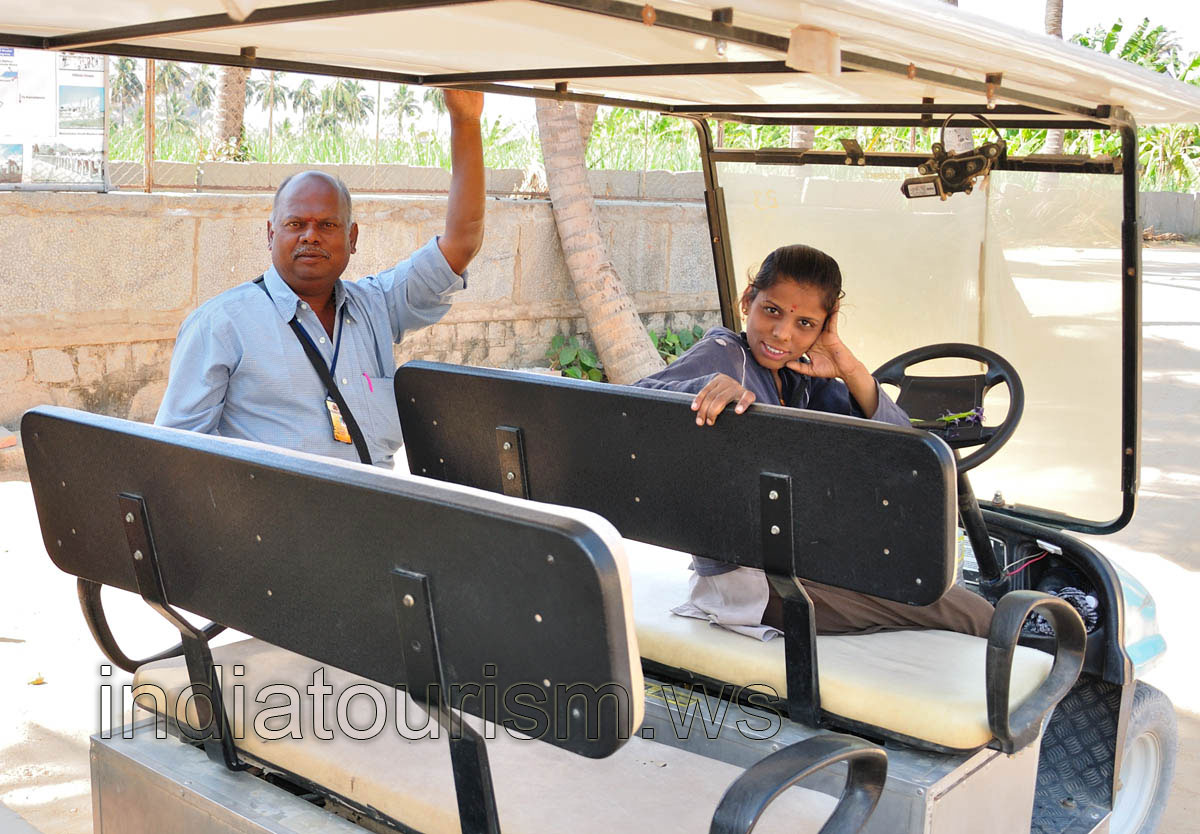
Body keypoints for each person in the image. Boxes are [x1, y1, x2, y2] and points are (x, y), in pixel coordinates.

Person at [635, 244, 994, 639]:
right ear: (747, 301)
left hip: (808, 561)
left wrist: (847, 366)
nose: (782, 333)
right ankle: (1055, 672)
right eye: (771, 310)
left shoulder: (801, 382)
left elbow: (904, 448)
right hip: (759, 587)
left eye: (805, 323)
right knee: (975, 616)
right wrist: (704, 388)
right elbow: (631, 409)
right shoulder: (723, 355)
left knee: (931, 583)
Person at [156, 90, 485, 468]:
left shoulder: (378, 306)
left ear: (352, 238)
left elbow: (462, 243)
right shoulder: (221, 325)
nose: (310, 236)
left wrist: (466, 120)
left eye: (327, 225)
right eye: (295, 224)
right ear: (269, 235)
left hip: (378, 518)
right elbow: (175, 455)